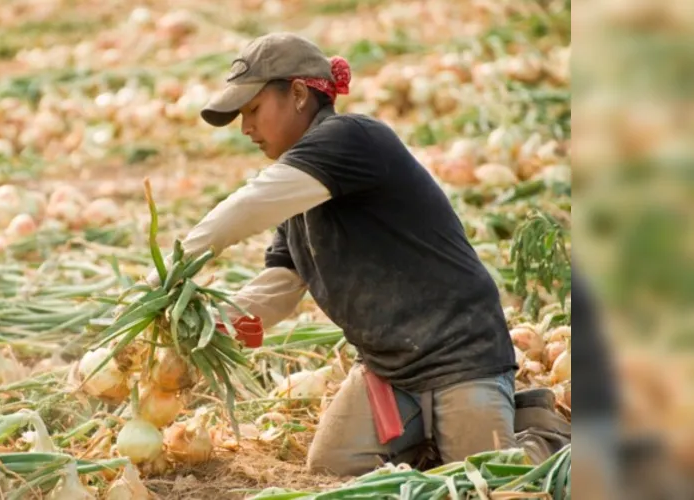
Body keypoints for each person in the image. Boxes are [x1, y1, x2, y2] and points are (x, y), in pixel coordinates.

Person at [148, 32, 568, 475]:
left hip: (460, 358)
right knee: (332, 467)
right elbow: (281, 285)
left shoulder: (352, 139)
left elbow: (249, 205)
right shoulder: (297, 197)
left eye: (252, 110)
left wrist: (174, 266)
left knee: (488, 478)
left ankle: (540, 434)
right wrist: (206, 327)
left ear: (297, 94)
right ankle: (435, 438)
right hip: (391, 371)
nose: (246, 128)